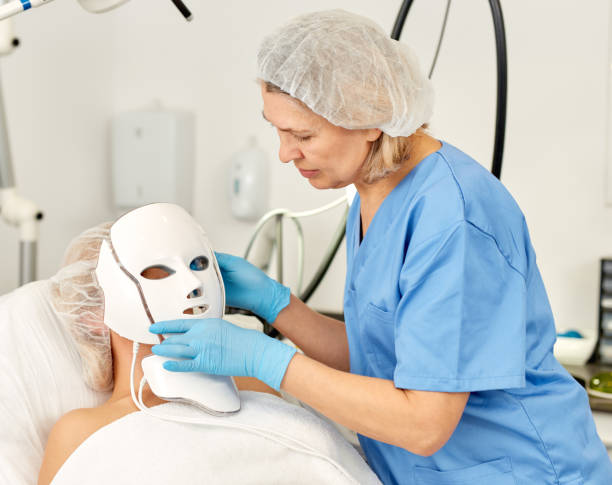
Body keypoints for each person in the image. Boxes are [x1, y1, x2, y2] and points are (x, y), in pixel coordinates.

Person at [150, 9, 612, 484]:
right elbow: (380, 357)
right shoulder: (372, 193)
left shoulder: (454, 218)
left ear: (370, 120)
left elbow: (424, 422)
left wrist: (264, 360)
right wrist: (277, 304)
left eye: (303, 135)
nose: (286, 153)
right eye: (278, 130)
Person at [36, 222, 295, 485]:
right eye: (155, 271)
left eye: (196, 265)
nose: (191, 283)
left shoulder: (257, 383)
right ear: (93, 313)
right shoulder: (80, 431)